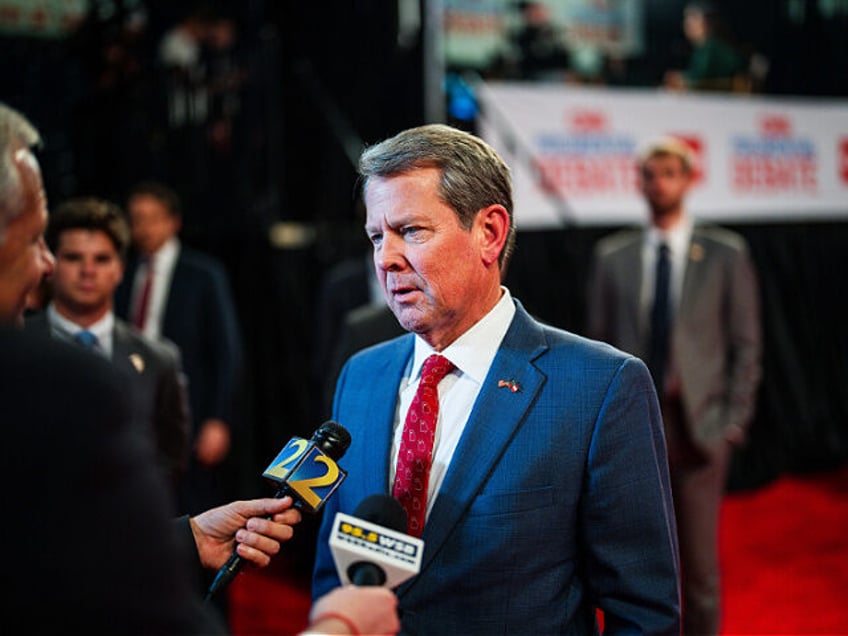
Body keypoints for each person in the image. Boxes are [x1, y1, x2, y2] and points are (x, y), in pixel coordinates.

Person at [0, 101, 399, 636]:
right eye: (35, 241)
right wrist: (341, 630)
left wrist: (186, 538)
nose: (50, 265)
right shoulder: (58, 385)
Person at [311, 123, 681, 634]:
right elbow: (337, 571)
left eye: (411, 231)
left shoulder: (601, 387)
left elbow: (643, 613)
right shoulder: (362, 374)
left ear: (490, 232)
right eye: (377, 236)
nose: (386, 258)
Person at [585, 135, 762, 636]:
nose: (658, 183)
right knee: (632, 564)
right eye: (650, 174)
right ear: (639, 183)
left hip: (701, 430)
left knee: (700, 569)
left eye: (669, 173)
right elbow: (597, 349)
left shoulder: (727, 254)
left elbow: (746, 344)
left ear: (687, 179)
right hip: (633, 434)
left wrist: (733, 421)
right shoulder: (612, 257)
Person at [25, 196, 190, 495]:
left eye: (102, 259)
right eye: (74, 257)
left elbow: (170, 456)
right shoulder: (15, 346)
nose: (88, 270)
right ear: (50, 263)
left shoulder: (158, 359)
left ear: (120, 269)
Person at [114, 179, 243, 518]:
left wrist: (219, 419)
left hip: (191, 408)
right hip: (131, 406)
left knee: (192, 508)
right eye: (135, 219)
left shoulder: (203, 274)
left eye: (151, 218)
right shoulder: (122, 272)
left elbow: (226, 351)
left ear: (173, 221)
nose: (142, 228)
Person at [663, 2, 747, 92]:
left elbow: (700, 79)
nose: (688, 24)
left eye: (694, 19)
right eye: (687, 19)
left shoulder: (712, 47)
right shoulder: (701, 48)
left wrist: (681, 80)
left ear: (707, 23)